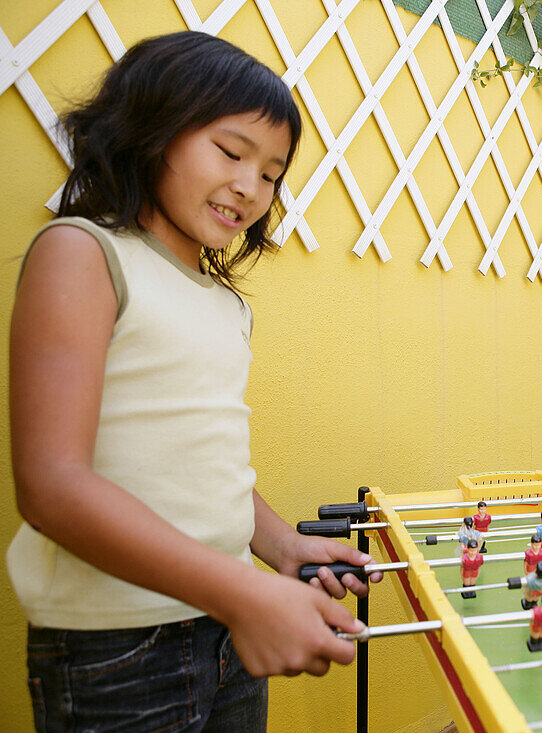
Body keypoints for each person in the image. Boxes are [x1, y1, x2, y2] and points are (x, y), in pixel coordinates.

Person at [6, 31, 383, 730]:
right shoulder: (82, 253)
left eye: (271, 173)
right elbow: (51, 486)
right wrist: (244, 594)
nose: (250, 186)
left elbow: (204, 463)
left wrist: (279, 548)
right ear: (152, 131)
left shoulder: (224, 303)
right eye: (231, 152)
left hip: (229, 629)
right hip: (117, 645)